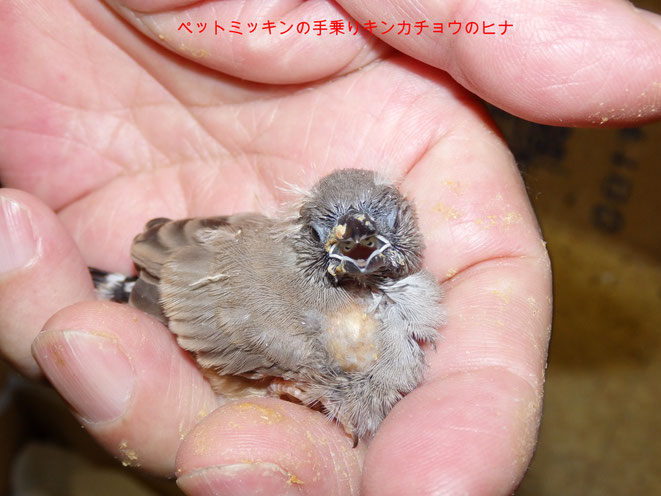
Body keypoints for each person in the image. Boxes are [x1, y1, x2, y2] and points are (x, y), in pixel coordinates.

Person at [0, 1, 659, 494]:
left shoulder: (382, 301)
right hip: (178, 293)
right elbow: (206, 303)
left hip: (200, 255)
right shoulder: (307, 332)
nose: (358, 248)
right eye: (338, 237)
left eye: (378, 230)